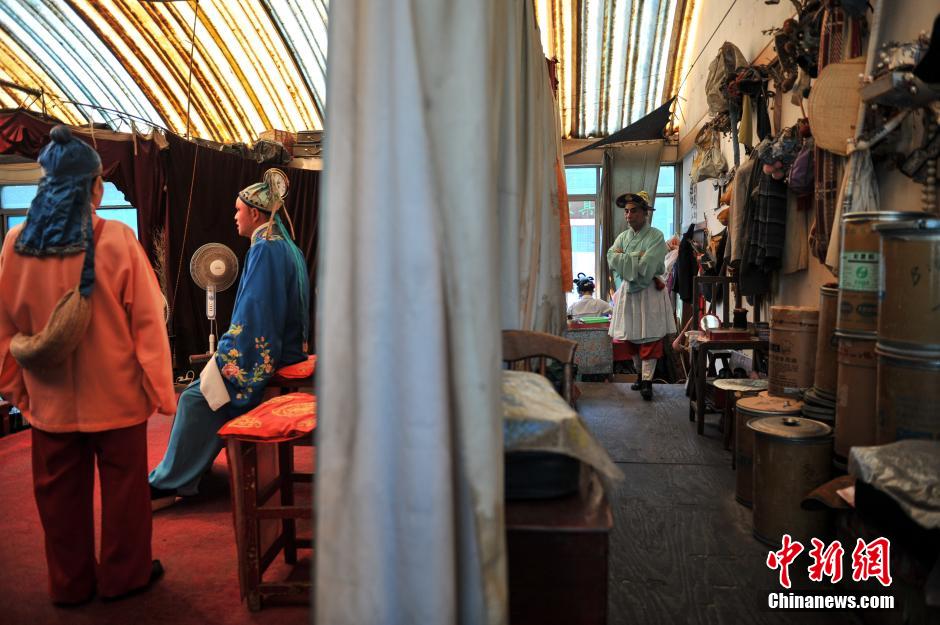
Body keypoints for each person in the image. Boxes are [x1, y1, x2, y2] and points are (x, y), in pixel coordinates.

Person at [0, 125, 175, 605]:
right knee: (125, 496)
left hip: (50, 403)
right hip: (117, 400)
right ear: (94, 185)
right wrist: (162, 391)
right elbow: (147, 325)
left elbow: (4, 328)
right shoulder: (116, 240)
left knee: (57, 500)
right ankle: (124, 576)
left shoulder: (15, 246)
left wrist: (16, 388)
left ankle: (70, 583)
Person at [149, 169, 310, 510]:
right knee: (202, 390)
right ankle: (193, 469)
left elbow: (256, 316)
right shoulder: (287, 247)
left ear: (254, 213)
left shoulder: (265, 249)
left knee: (195, 398)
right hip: (290, 350)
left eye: (238, 210)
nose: (234, 217)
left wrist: (226, 358)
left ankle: (171, 481)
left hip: (269, 354)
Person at [607, 191, 676, 401]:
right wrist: (637, 256)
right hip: (629, 291)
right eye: (626, 212)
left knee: (650, 336)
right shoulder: (623, 236)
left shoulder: (656, 236)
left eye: (633, 211)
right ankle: (639, 375)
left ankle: (648, 381)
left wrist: (627, 259)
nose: (628, 216)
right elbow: (611, 256)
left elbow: (648, 265)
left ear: (645, 213)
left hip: (649, 291)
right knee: (631, 335)